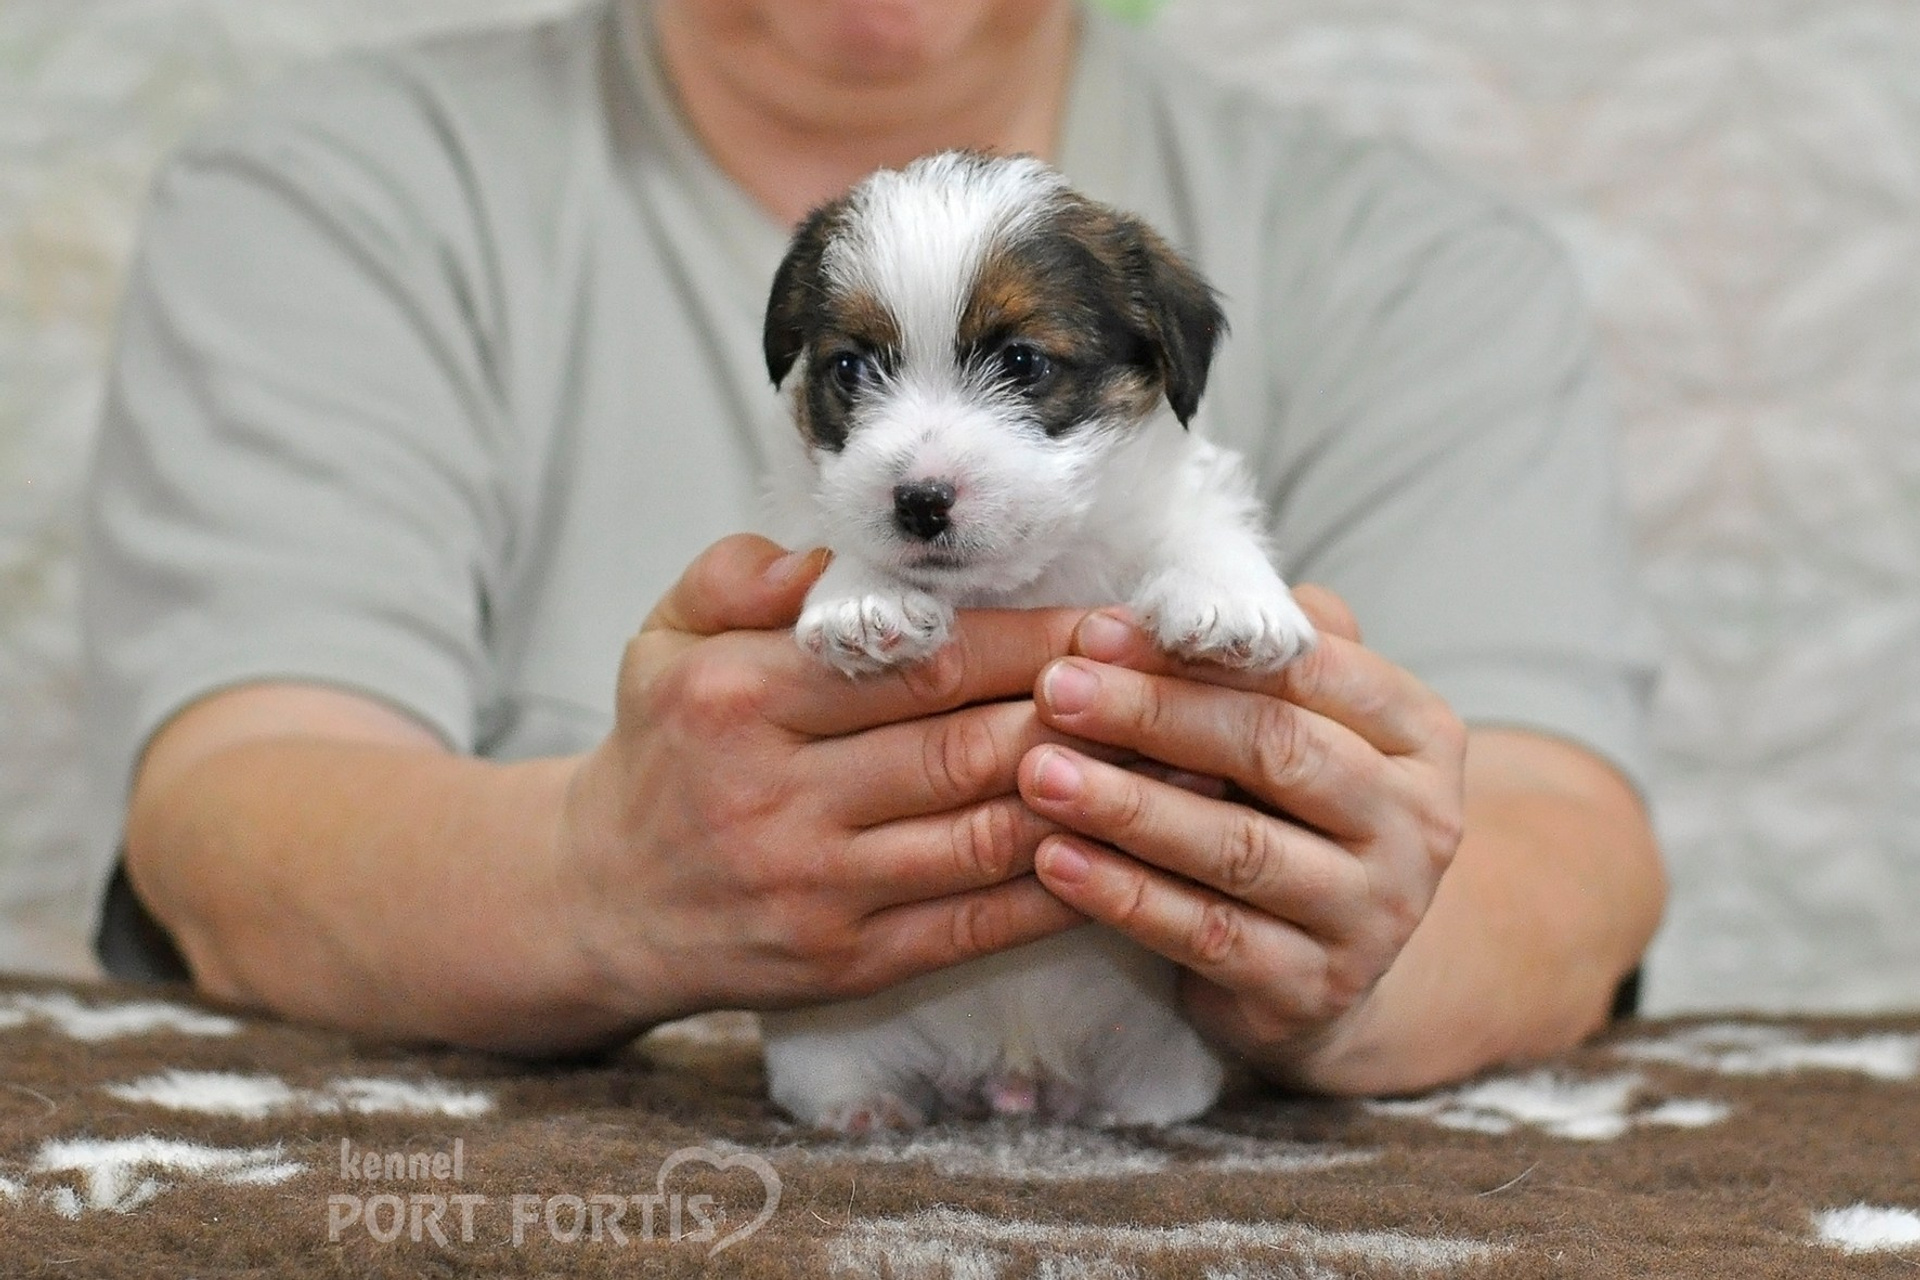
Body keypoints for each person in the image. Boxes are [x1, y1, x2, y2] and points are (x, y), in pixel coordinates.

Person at [81, 0, 1666, 1097]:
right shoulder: (324, 193)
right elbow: (230, 819)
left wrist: (1332, 946)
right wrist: (588, 880)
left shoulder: (1424, 261)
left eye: (1021, 371)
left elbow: (1569, 848)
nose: (919, 462)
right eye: (854, 377)